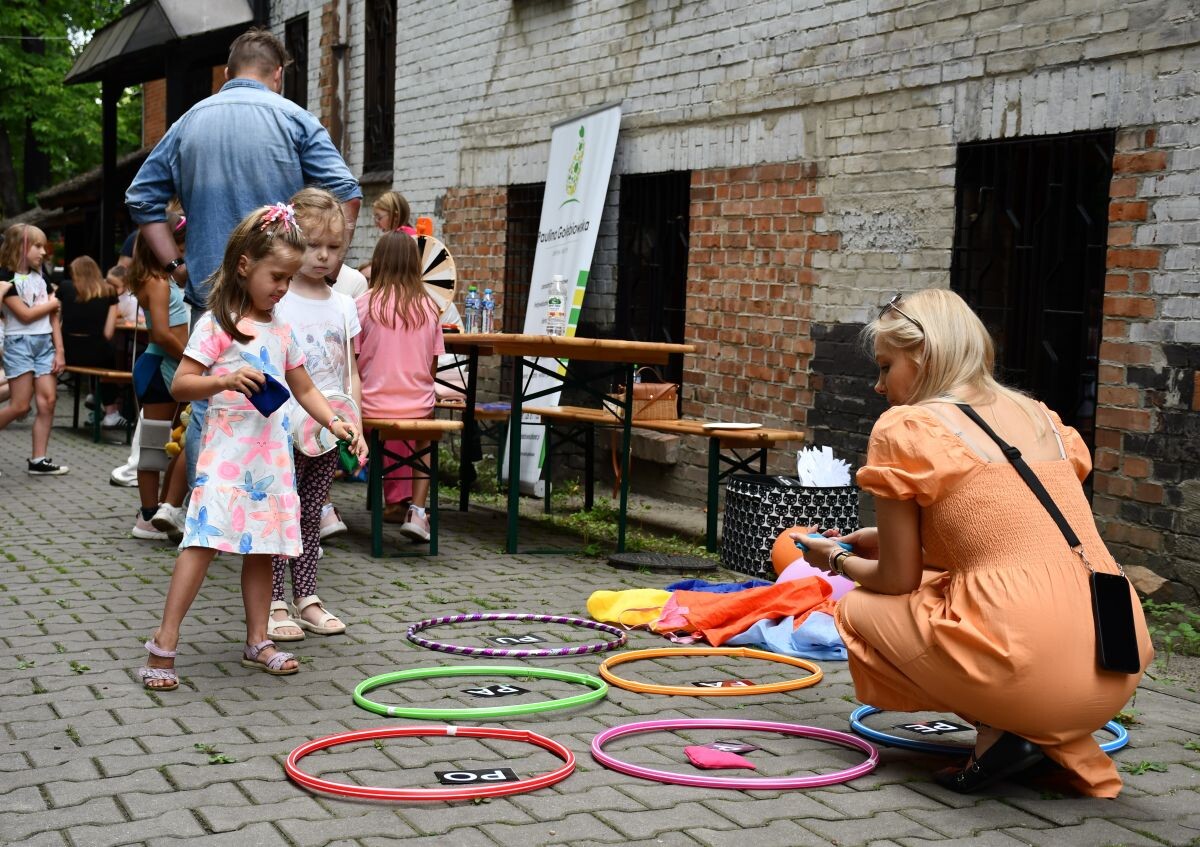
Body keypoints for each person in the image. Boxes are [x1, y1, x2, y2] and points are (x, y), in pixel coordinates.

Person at [797, 289, 1152, 798]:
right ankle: (1019, 735)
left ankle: (1002, 729)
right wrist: (875, 540)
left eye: (885, 366)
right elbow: (1003, 530)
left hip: (1033, 669)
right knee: (947, 583)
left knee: (858, 608)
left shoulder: (909, 426)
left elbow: (895, 580)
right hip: (1114, 659)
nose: (878, 386)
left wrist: (835, 556)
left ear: (922, 355)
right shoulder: (1042, 417)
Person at [137, 204, 365, 691]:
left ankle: (258, 639)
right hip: (226, 459)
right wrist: (224, 378)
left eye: (288, 278)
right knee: (201, 544)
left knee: (264, 549)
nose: (282, 288)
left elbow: (304, 389)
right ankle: (164, 640)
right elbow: (181, 384)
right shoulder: (218, 325)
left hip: (270, 460)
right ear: (245, 265)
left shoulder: (281, 329)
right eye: (276, 276)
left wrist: (337, 421)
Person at [125, 27, 361, 492]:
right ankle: (266, 514)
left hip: (211, 292)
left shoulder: (189, 122)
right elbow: (347, 194)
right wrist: (327, 262)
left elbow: (141, 199)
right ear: (277, 74)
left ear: (227, 74)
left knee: (208, 408)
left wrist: (174, 264)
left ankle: (207, 515)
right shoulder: (295, 119)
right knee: (284, 396)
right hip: (280, 293)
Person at [266, 188, 362, 642]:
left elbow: (350, 368)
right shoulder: (277, 300)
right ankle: (271, 601)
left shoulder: (344, 304)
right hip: (280, 429)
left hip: (329, 429)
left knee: (311, 512)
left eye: (333, 247)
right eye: (313, 245)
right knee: (279, 512)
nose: (323, 256)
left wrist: (356, 421)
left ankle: (307, 597)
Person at [355, 231, 444, 540]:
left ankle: (324, 509)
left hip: (371, 406)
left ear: (378, 262)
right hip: (418, 407)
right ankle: (418, 512)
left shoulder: (363, 305)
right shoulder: (430, 307)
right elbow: (432, 366)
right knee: (425, 437)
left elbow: (353, 360)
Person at [127, 212, 190, 542]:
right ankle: (148, 515)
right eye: (180, 245)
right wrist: (191, 361)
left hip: (173, 366)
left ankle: (168, 507)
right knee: (154, 445)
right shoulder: (154, 282)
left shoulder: (166, 280)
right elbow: (163, 334)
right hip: (160, 367)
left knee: (177, 441)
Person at [0, 224, 68, 475]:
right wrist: (53, 304)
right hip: (19, 345)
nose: (43, 252)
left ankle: (38, 460)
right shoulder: (5, 279)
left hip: (45, 345)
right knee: (19, 406)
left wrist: (59, 351)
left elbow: (53, 319)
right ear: (21, 247)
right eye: (37, 246)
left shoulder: (42, 277)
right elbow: (26, 315)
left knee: (48, 401)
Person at [58, 255, 126, 428]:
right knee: (108, 356)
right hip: (96, 354)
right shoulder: (109, 292)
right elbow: (108, 333)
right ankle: (111, 411)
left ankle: (94, 397)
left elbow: (57, 322)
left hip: (68, 352)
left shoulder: (65, 287)